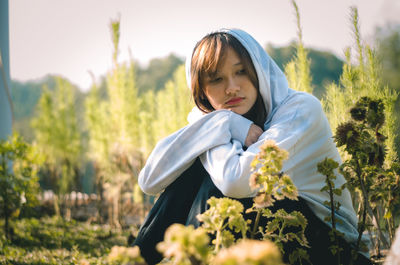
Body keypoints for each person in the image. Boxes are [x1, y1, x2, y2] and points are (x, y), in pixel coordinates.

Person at [133, 28, 371, 265]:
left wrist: (217, 126)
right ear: (201, 90)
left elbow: (235, 181)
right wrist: (223, 121)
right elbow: (149, 181)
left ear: (258, 71)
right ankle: (135, 261)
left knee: (217, 182)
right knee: (194, 169)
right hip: (275, 235)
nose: (232, 87)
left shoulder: (300, 110)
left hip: (333, 250)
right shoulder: (216, 119)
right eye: (216, 79)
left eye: (242, 72)